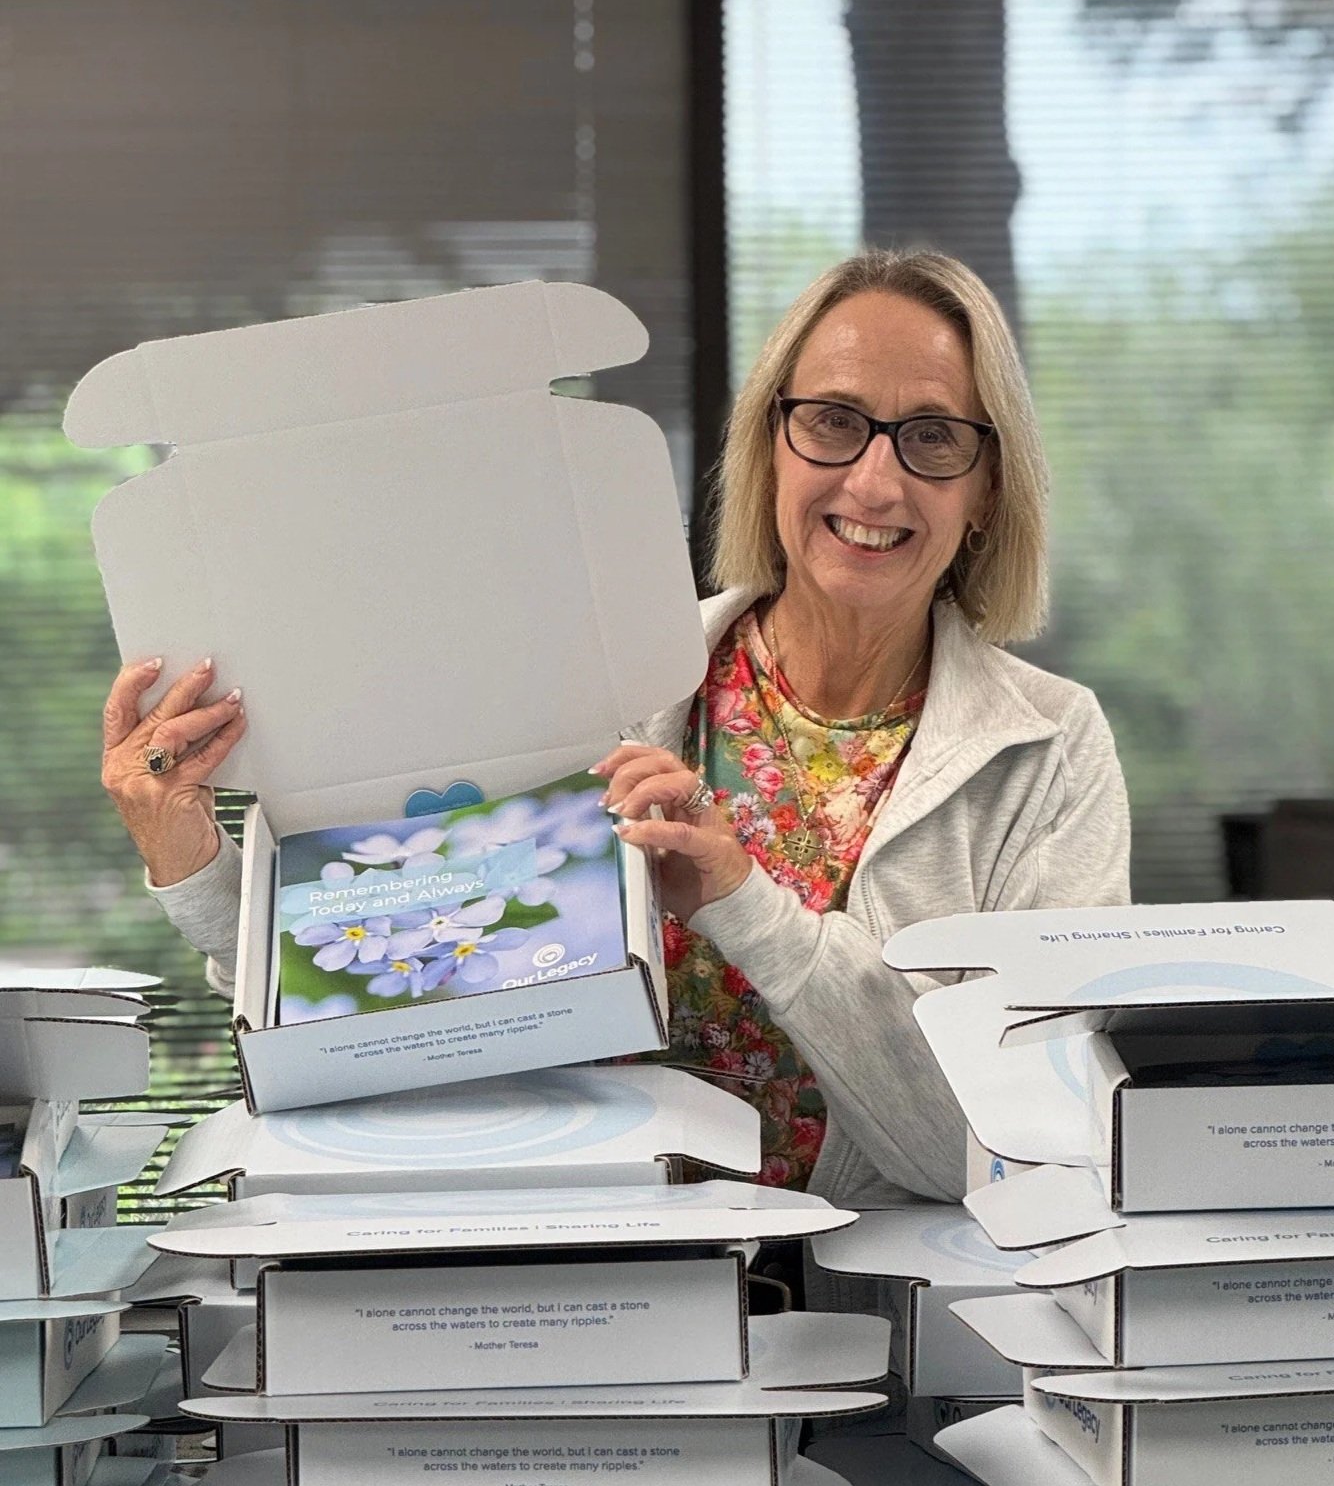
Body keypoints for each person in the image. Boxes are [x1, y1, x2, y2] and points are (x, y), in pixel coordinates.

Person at [101, 248, 1129, 1207]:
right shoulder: (594, 671)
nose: (872, 481)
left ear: (988, 487)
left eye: (933, 437)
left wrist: (743, 900)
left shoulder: (1049, 753)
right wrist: (197, 869)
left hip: (885, 1339)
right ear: (772, 444)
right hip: (586, 1287)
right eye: (832, 421)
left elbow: (1013, 1146)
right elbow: (379, 1006)